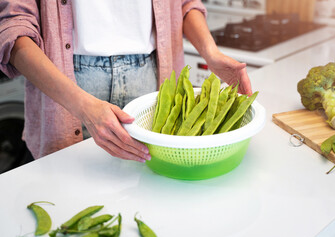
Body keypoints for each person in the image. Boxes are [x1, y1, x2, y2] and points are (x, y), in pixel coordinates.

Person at [0, 0, 252, 163]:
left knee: (152, 194)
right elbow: (12, 27)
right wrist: (83, 106)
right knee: (71, 201)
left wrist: (211, 53)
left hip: (153, 79)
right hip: (68, 90)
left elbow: (185, 4)